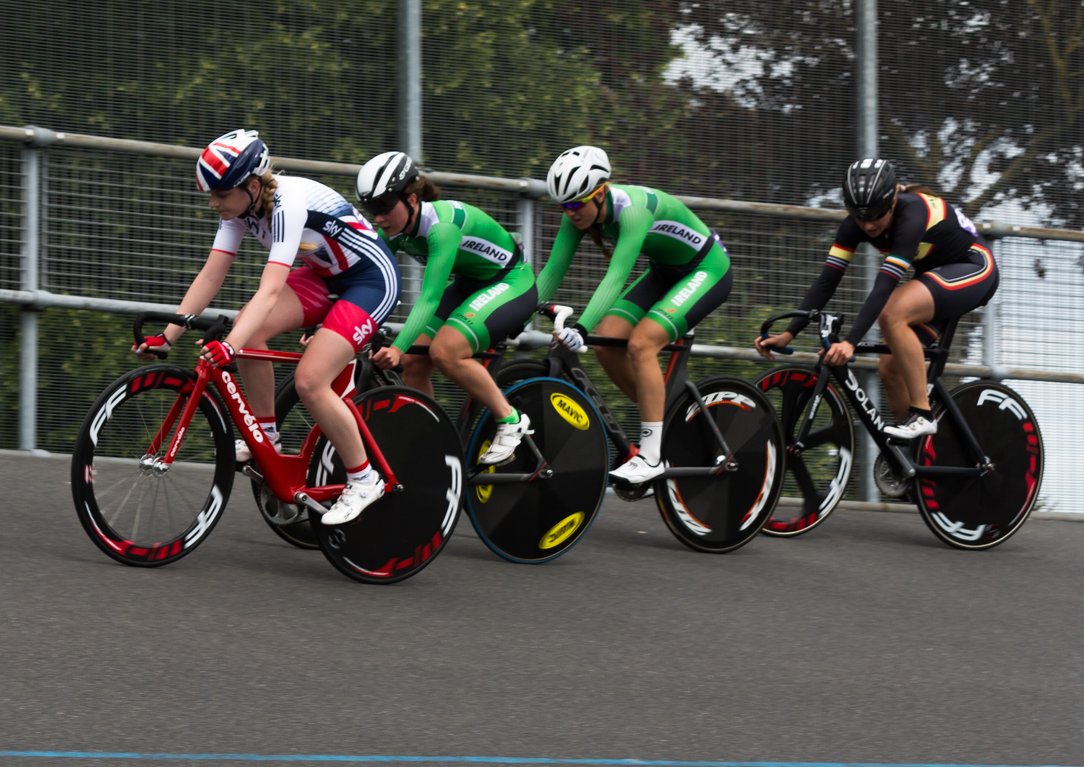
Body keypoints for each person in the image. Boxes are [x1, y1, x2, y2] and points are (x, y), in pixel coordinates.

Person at [136, 130, 401, 526]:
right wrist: (167, 336)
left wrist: (229, 345)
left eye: (221, 194)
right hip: (325, 276)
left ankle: (364, 480)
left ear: (253, 185)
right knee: (250, 330)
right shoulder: (241, 209)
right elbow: (211, 275)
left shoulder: (288, 204)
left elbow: (271, 289)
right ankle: (266, 438)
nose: (213, 203)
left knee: (310, 381)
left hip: (371, 281)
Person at [754, 158, 998, 441]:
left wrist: (850, 342)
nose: (868, 224)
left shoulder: (912, 214)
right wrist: (788, 333)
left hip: (975, 269)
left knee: (893, 312)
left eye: (876, 214)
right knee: (891, 368)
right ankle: (913, 457)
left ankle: (923, 414)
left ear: (892, 201)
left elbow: (884, 286)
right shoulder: (854, 225)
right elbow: (828, 280)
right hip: (936, 278)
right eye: (860, 216)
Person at [533, 145, 734, 485]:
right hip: (665, 270)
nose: (569, 212)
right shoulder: (578, 214)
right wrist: (519, 312)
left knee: (641, 344)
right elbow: (553, 270)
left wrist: (581, 327)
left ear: (600, 193)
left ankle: (651, 456)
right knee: (607, 341)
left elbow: (616, 276)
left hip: (707, 270)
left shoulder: (633, 211)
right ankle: (668, 421)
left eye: (576, 204)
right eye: (563, 205)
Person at [353, 151, 536, 467]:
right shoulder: (393, 231)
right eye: (371, 209)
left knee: (445, 351)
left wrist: (396, 347)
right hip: (471, 283)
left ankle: (511, 419)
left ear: (412, 199)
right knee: (413, 363)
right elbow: (366, 279)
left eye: (384, 206)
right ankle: (430, 444)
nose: (378, 218)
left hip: (511, 283)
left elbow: (429, 298)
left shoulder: (441, 228)